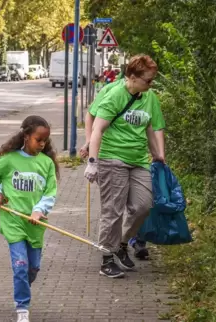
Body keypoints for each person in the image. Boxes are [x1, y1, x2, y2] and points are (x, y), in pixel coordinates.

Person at [83, 54, 166, 278]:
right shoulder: (115, 95)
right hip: (112, 158)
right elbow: (97, 128)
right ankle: (107, 259)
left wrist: (158, 154)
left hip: (138, 160)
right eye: (148, 80)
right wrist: (92, 161)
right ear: (132, 77)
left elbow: (151, 127)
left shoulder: (148, 97)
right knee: (113, 210)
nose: (151, 84)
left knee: (143, 206)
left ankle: (120, 243)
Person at [0, 115, 59, 322]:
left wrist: (38, 210)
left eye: (45, 140)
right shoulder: (9, 159)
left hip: (35, 224)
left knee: (32, 269)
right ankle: (22, 307)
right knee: (20, 265)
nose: (42, 144)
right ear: (26, 136)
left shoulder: (46, 163)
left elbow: (50, 192)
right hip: (13, 221)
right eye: (38, 139)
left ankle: (23, 284)